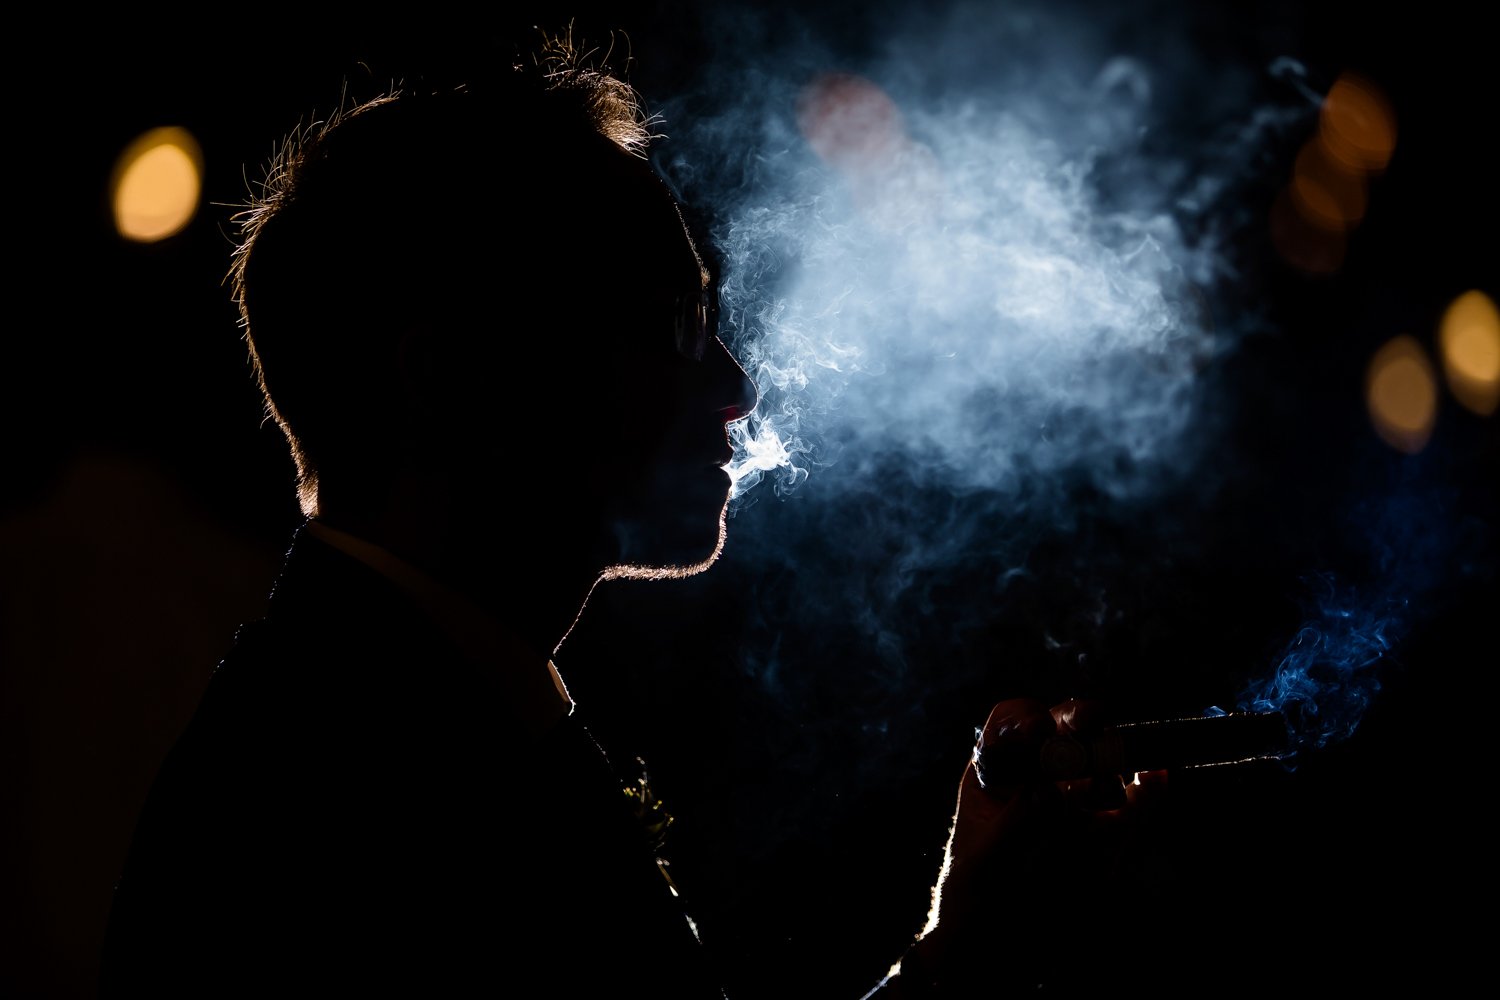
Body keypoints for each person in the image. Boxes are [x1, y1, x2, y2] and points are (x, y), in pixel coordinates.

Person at [101, 35, 1157, 998]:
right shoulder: (334, 795)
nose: (737, 387)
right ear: (447, 380)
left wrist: (968, 923)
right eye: (670, 327)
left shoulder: (379, 713)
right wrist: (972, 946)